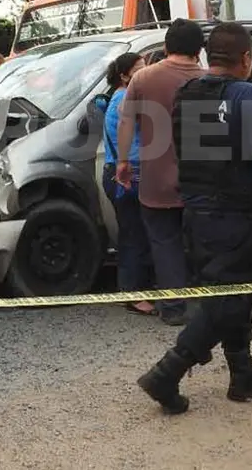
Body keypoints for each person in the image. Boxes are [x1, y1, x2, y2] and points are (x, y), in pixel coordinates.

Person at [137, 22, 252, 414]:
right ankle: (167, 372)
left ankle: (243, 373)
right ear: (247, 58)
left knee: (234, 296)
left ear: (210, 57)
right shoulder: (249, 95)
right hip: (234, 217)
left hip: (197, 215)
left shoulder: (188, 95)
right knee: (227, 302)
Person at [116, 19, 204, 325]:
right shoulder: (209, 80)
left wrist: (123, 162)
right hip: (202, 181)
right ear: (199, 49)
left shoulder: (143, 79)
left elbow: (126, 121)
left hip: (155, 180)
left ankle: (174, 307)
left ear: (166, 46)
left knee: (165, 243)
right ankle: (209, 306)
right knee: (201, 241)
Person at [101, 52, 155, 316]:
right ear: (124, 76)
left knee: (133, 233)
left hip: (120, 173)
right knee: (136, 235)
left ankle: (133, 289)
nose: (144, 73)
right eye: (139, 69)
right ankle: (135, 294)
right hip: (128, 175)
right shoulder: (126, 100)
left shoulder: (119, 97)